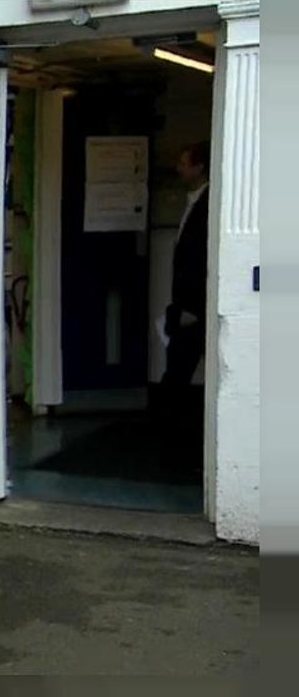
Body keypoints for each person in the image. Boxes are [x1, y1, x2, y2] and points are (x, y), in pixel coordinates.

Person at [159, 140, 210, 477]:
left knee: (175, 377)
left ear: (199, 167)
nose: (178, 168)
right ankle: (171, 442)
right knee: (175, 375)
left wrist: (195, 308)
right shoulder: (194, 202)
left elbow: (203, 261)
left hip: (194, 310)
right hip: (185, 307)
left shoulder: (208, 205)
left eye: (183, 162)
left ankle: (173, 448)